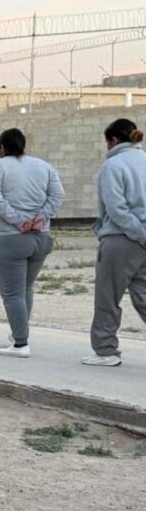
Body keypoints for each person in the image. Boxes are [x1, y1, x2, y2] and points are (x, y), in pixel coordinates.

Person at [0, 128, 65, 358]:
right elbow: (57, 195)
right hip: (41, 236)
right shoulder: (44, 166)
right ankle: (19, 333)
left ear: (2, 148)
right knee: (26, 289)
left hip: (10, 238)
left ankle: (20, 343)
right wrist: (41, 217)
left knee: (12, 293)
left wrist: (18, 220)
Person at [82, 118, 146, 367]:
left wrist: (138, 234)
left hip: (121, 239)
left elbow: (116, 208)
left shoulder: (113, 165)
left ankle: (105, 350)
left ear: (114, 140)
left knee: (108, 297)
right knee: (143, 295)